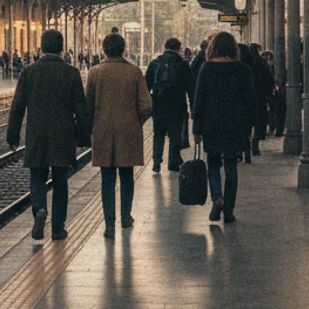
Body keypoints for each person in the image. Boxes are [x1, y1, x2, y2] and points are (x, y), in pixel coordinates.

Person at [7, 29, 90, 241]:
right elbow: (81, 109)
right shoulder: (71, 73)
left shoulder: (29, 72)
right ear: (61, 49)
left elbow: (17, 107)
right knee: (61, 181)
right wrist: (83, 137)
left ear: (41, 48)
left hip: (37, 133)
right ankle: (58, 229)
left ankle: (39, 209)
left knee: (37, 176)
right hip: (63, 134)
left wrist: (12, 137)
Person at [87, 33, 152, 239]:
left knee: (107, 179)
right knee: (126, 176)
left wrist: (93, 125)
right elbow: (146, 105)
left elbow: (88, 106)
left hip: (103, 130)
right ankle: (125, 217)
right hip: (128, 131)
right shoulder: (134, 72)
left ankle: (109, 224)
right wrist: (135, 121)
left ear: (104, 49)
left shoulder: (95, 72)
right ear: (123, 49)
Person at [192, 32, 255, 223]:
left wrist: (196, 129)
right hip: (235, 124)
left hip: (211, 123)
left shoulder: (206, 68)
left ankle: (217, 197)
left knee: (213, 163)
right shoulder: (242, 69)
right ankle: (228, 211)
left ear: (213, 48)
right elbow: (251, 100)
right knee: (231, 165)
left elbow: (199, 100)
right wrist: (250, 125)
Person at [145, 38, 194, 174]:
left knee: (158, 133)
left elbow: (146, 85)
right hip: (177, 105)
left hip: (158, 104)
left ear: (164, 46)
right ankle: (173, 162)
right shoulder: (183, 64)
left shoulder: (155, 63)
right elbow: (190, 88)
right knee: (175, 134)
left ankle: (156, 161)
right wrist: (193, 108)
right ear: (178, 48)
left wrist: (147, 105)